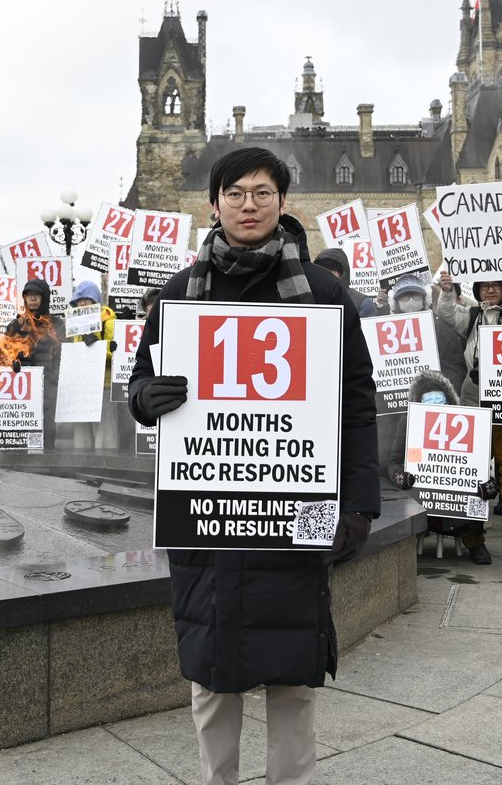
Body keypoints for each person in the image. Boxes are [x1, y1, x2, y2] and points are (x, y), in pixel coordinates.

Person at [128, 146, 379, 785]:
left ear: (283, 202)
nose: (248, 205)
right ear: (214, 204)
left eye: (262, 193)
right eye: (235, 193)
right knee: (211, 678)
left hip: (298, 505)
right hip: (205, 513)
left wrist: (357, 505)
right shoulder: (179, 294)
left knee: (294, 677)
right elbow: (140, 382)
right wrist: (147, 398)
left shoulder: (323, 294)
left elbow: (356, 405)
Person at [436, 268, 502, 513]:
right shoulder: (471, 315)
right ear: (478, 290)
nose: (490, 290)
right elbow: (446, 313)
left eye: (496, 285)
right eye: (484, 286)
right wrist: (447, 291)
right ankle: (472, 514)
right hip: (474, 394)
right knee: (473, 456)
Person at [391, 368, 495, 563]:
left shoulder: (468, 422)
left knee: (477, 490)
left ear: (449, 402)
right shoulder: (408, 422)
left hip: (457, 499)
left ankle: (474, 540)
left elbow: (480, 464)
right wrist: (400, 476)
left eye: (440, 402)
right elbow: (393, 462)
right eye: (429, 402)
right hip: (420, 494)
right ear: (419, 403)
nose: (435, 407)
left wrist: (489, 485)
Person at [65, 279, 120, 450]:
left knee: (105, 433)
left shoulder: (108, 322)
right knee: (82, 436)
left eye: (85, 299)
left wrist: (98, 347)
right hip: (82, 387)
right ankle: (81, 464)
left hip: (104, 386)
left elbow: (118, 355)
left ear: (95, 300)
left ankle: (107, 463)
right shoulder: (75, 324)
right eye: (78, 301)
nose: (81, 304)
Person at [7, 278, 61, 446]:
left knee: (47, 426)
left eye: (36, 295)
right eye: (28, 295)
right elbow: (4, 352)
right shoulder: (16, 325)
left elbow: (64, 353)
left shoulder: (57, 324)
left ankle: (49, 458)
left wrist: (55, 377)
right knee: (23, 428)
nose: (32, 298)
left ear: (44, 297)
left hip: (49, 384)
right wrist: (13, 362)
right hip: (23, 386)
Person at [311, 248, 378, 317]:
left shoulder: (363, 303)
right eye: (322, 270)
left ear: (343, 273)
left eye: (331, 270)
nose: (327, 275)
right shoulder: (309, 299)